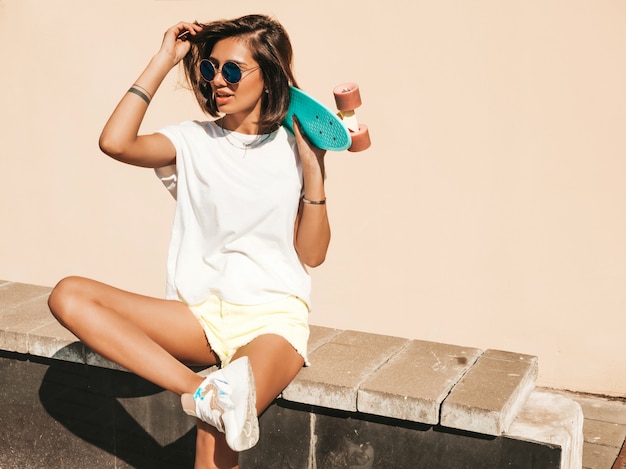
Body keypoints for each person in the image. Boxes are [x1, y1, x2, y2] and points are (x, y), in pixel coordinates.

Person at [48, 13, 330, 469]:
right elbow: (115, 143)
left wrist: (314, 172)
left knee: (213, 428)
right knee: (69, 294)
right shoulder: (193, 140)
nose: (219, 80)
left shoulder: (294, 146)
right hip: (200, 316)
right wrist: (163, 59)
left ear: (270, 72)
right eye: (210, 68)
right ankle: (201, 391)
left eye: (233, 70)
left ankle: (214, 403)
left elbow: (312, 255)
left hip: (272, 318)